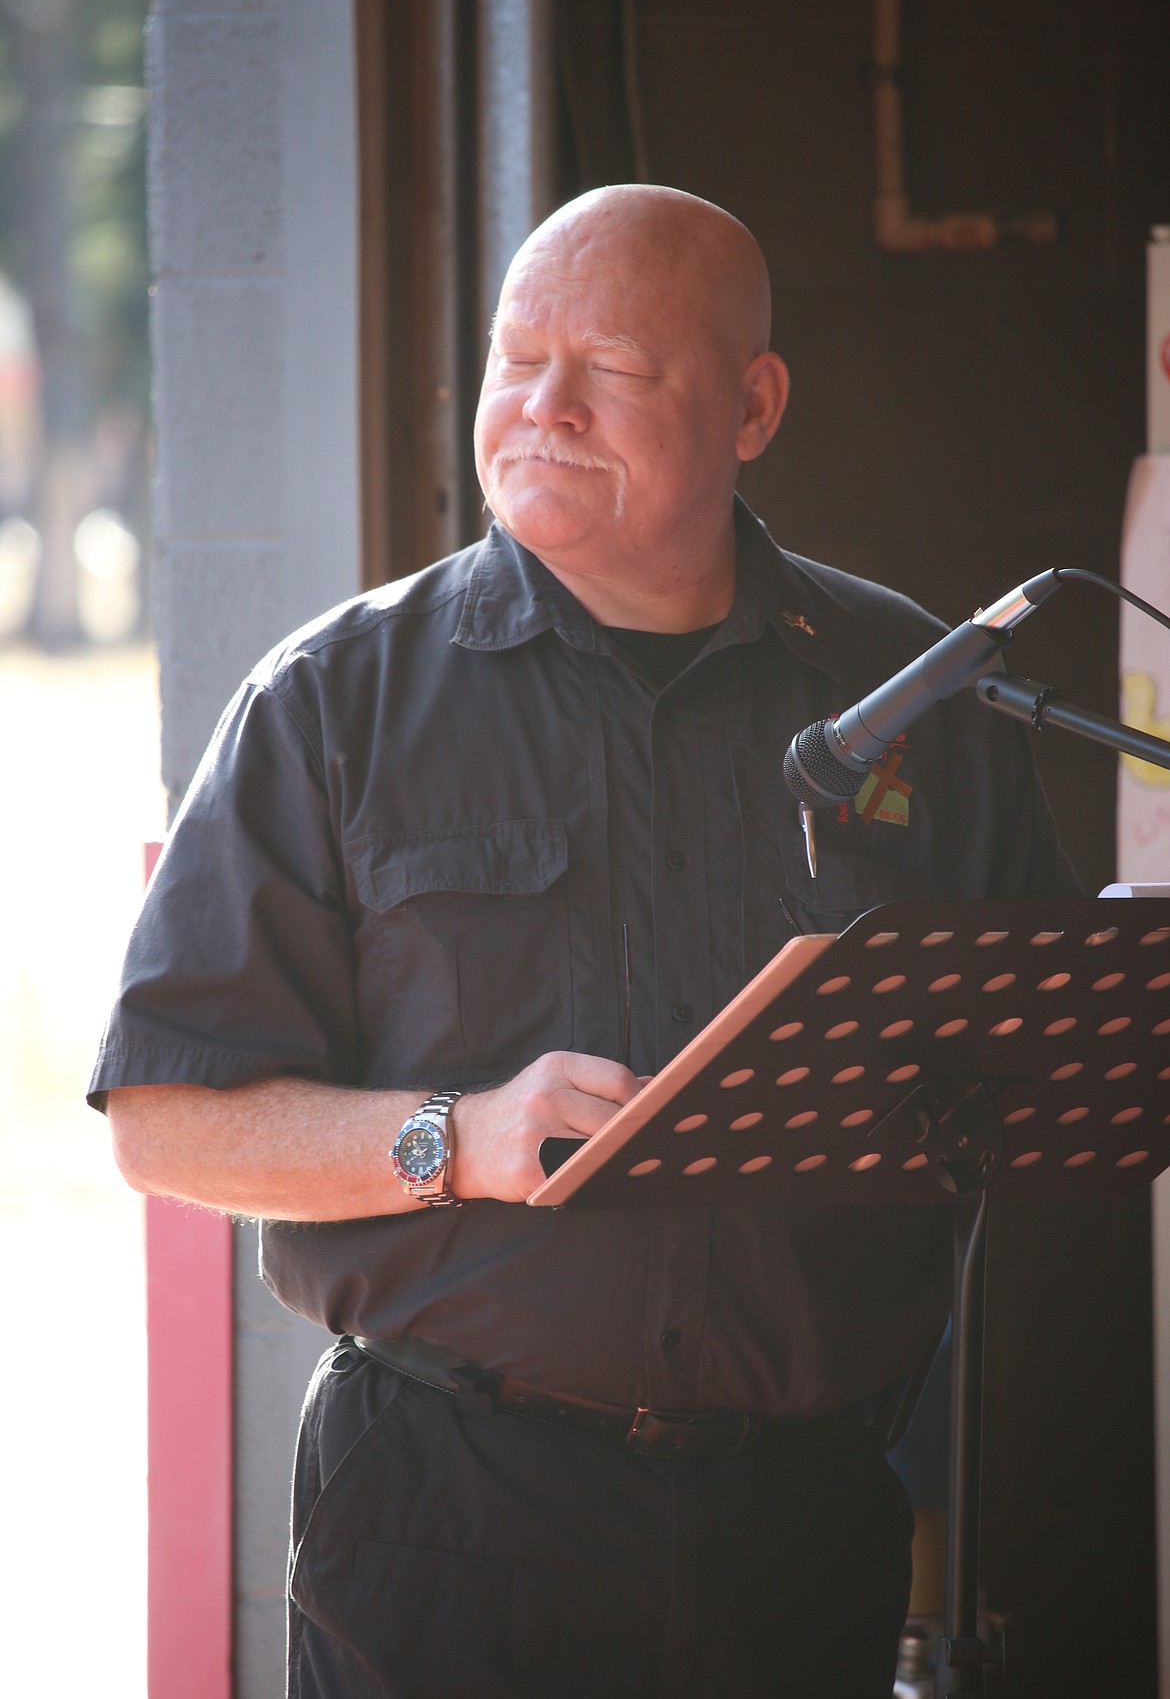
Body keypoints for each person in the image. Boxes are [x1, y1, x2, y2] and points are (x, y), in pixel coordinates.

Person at [93, 185, 1079, 1698]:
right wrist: (457, 1136)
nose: (541, 407)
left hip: (802, 1522)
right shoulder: (331, 701)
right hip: (446, 1513)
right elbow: (169, 1124)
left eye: (610, 367)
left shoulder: (915, 692)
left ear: (751, 407)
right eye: (514, 358)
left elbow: (1043, 1062)